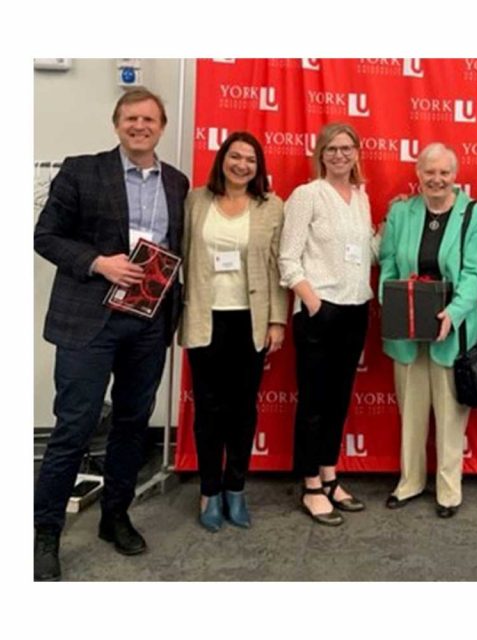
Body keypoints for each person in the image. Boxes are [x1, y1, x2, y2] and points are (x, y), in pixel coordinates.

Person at [31, 88, 189, 581]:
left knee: (132, 424)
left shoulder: (178, 183)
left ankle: (114, 517)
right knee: (73, 428)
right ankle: (45, 533)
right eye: (131, 118)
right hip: (88, 320)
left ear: (161, 126)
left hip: (147, 322)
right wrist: (99, 263)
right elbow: (46, 236)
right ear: (116, 123)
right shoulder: (82, 170)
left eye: (149, 119)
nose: (140, 125)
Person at [179, 132, 286, 533]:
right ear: (222, 159)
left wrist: (277, 320)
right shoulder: (195, 200)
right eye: (235, 156)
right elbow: (182, 251)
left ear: (258, 168)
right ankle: (209, 490)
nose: (242, 165)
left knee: (243, 409)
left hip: (250, 321)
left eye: (251, 160)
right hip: (204, 318)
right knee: (207, 410)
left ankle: (236, 488)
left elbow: (278, 267)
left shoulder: (272, 206)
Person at [380, 144, 477, 519]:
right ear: (418, 174)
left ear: (455, 175)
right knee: (410, 412)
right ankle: (410, 481)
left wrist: (454, 313)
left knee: (449, 415)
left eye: (444, 172)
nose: (437, 179)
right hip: (408, 331)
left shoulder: (476, 216)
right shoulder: (401, 212)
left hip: (453, 330)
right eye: (429, 172)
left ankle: (448, 489)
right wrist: (391, 299)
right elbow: (390, 261)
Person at [277, 122, 375, 526]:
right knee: (315, 403)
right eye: (331, 149)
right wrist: (314, 302)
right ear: (320, 154)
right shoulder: (307, 195)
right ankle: (311, 484)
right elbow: (288, 257)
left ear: (356, 153)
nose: (339, 155)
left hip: (356, 309)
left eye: (346, 148)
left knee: (338, 401)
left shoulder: (361, 197)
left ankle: (331, 475)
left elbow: (367, 250)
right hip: (321, 310)